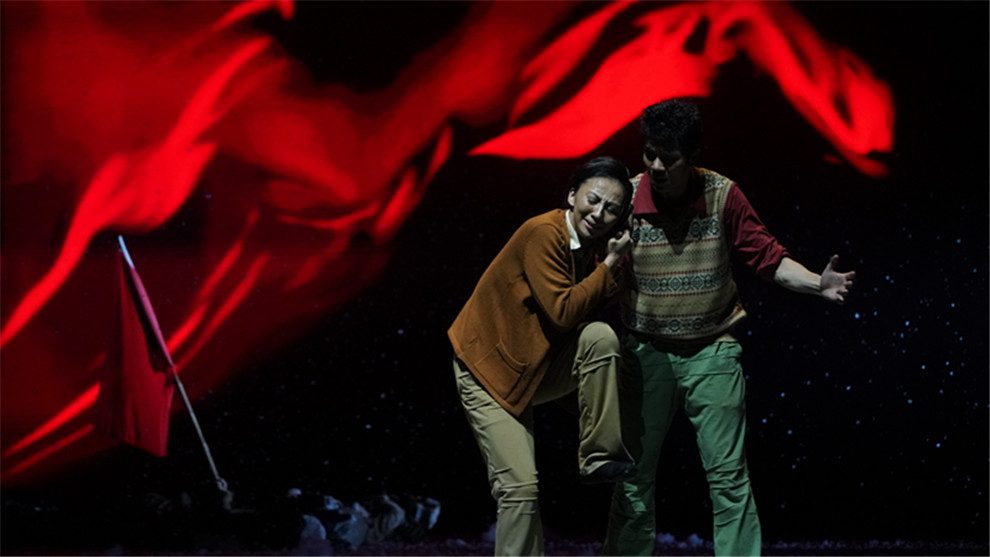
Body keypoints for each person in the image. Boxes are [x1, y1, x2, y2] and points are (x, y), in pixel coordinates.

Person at [604, 99, 856, 556]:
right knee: (633, 478)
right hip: (645, 351)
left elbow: (768, 258)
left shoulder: (723, 195)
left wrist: (816, 284)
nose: (656, 166)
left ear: (693, 156)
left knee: (729, 478)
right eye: (650, 154)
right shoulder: (627, 198)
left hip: (712, 350)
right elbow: (598, 268)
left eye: (669, 158)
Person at [449, 157, 639, 556]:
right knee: (519, 490)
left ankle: (601, 453)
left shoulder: (588, 248)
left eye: (612, 209)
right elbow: (563, 312)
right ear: (571, 196)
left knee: (600, 338)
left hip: (531, 367)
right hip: (488, 373)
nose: (599, 213)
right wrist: (609, 263)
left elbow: (596, 302)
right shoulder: (543, 233)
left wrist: (614, 263)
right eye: (593, 200)